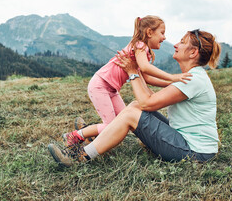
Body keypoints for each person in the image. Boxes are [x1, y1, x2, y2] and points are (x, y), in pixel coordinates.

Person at [49, 29, 221, 166]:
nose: (176, 44)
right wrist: (137, 71)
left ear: (193, 53)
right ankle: (88, 135)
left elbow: (147, 103)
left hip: (195, 152)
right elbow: (148, 100)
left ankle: (81, 156)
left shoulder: (192, 80)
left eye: (182, 42)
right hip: (187, 141)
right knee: (134, 106)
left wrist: (132, 72)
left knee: (133, 112)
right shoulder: (193, 77)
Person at [63, 16, 192, 148]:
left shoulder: (143, 51)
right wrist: (172, 77)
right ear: (149, 32)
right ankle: (75, 135)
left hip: (112, 89)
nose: (164, 38)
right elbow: (147, 68)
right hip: (100, 85)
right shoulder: (140, 45)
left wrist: (170, 84)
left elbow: (147, 78)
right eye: (162, 33)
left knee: (121, 120)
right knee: (111, 126)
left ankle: (89, 136)